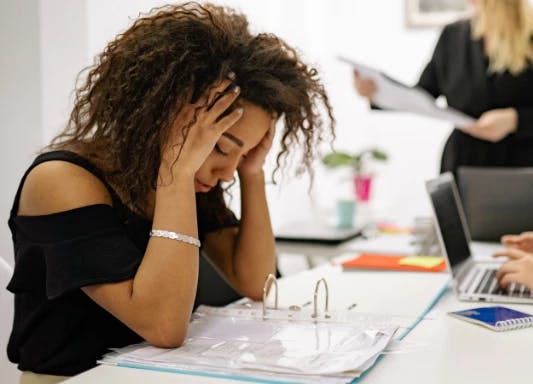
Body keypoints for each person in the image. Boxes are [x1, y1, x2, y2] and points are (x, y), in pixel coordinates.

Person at [5, 3, 334, 382]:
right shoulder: (62, 181)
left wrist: (252, 171)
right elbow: (163, 327)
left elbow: (255, 282)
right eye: (222, 147)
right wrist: (176, 174)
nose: (226, 172)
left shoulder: (194, 180)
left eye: (243, 153)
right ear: (167, 115)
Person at [353, 0, 533, 176]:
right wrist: (377, 93)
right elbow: (423, 95)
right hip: (462, 163)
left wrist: (514, 119)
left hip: (521, 166)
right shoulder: (452, 37)